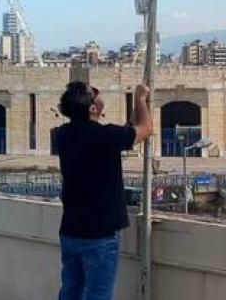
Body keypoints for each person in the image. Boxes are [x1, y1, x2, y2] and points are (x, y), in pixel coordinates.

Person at [52, 81, 152, 300]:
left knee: (71, 292)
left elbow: (127, 131)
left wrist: (135, 108)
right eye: (94, 93)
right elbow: (145, 129)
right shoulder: (104, 137)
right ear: (92, 108)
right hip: (99, 236)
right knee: (98, 295)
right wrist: (140, 99)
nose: (98, 93)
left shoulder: (62, 135)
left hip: (71, 231)